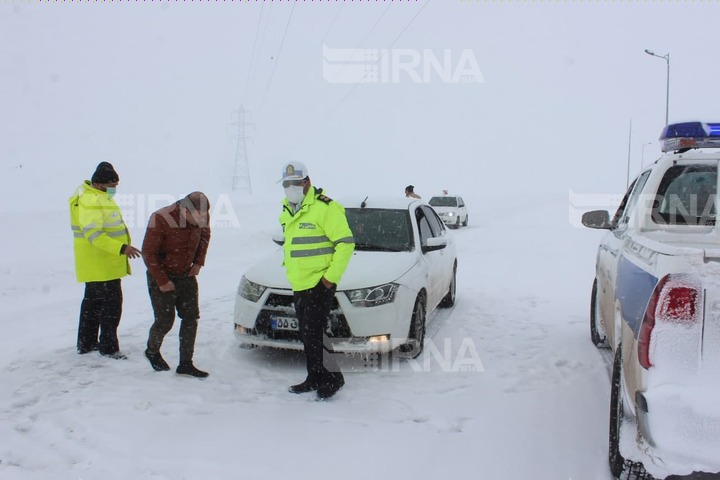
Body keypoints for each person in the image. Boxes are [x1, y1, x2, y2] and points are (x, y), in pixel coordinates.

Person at [279, 162, 355, 400]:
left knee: (315, 333)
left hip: (319, 283)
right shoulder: (287, 209)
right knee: (307, 333)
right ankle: (314, 376)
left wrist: (329, 279)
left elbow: (346, 244)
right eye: (286, 184)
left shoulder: (326, 208)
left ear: (307, 183)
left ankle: (333, 379)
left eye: (295, 183)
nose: (290, 188)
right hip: (299, 282)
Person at [69, 162, 142, 358]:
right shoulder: (91, 201)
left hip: (96, 264)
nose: (115, 189)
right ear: (99, 183)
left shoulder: (95, 196)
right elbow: (94, 235)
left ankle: (86, 343)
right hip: (102, 263)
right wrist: (121, 248)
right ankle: (109, 347)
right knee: (111, 307)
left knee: (92, 305)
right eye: (112, 185)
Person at [142, 192, 211, 378]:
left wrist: (198, 262)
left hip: (186, 274)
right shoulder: (160, 218)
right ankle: (152, 351)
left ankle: (186, 364)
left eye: (204, 217)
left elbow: (205, 236)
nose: (201, 221)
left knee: (191, 318)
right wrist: (162, 281)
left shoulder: (202, 214)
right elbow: (148, 253)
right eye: (197, 217)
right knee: (165, 320)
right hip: (162, 275)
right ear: (183, 210)